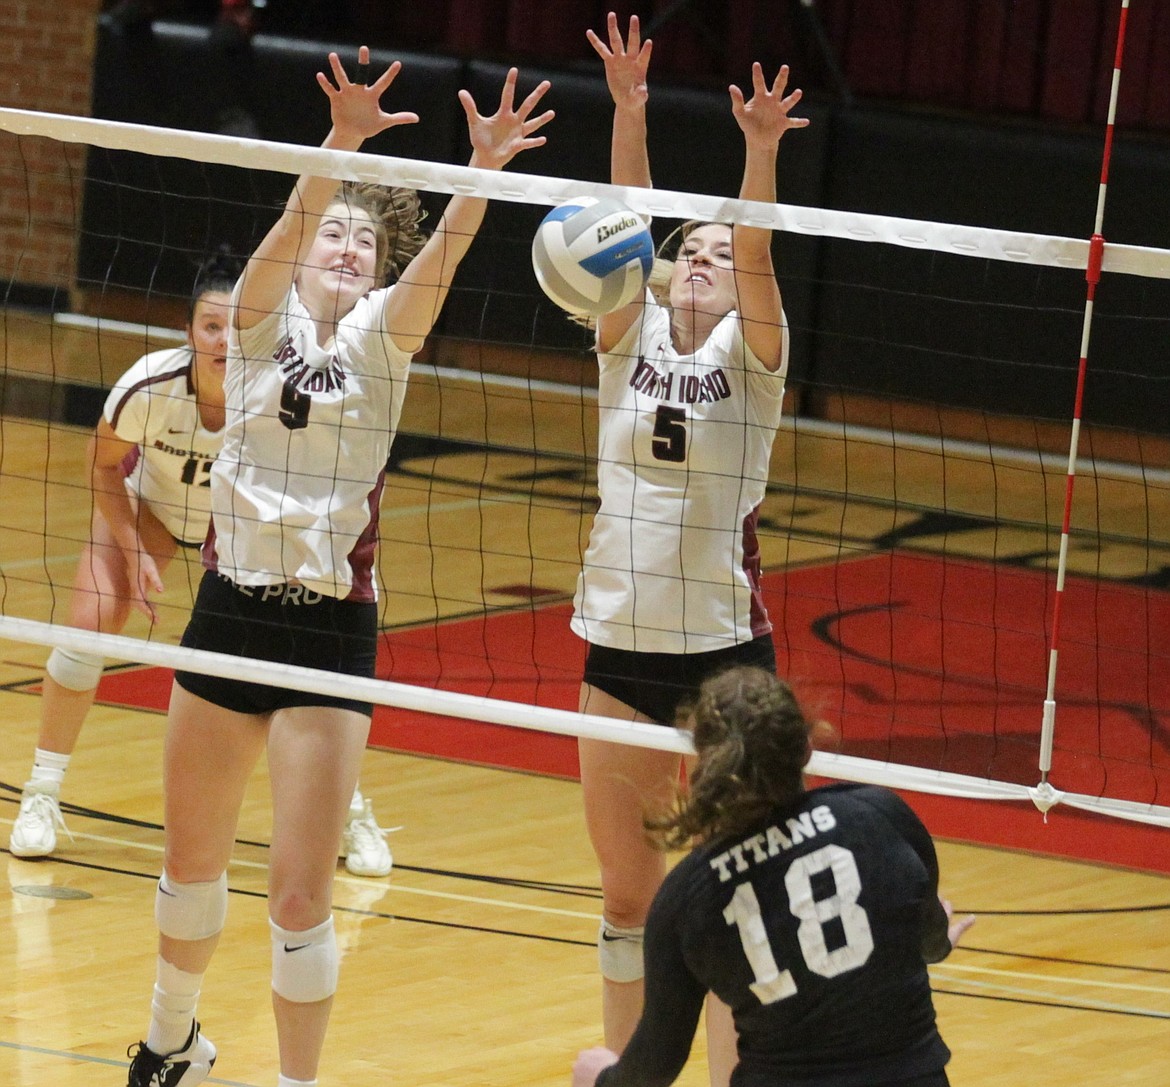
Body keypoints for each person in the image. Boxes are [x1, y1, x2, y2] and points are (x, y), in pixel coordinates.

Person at [123, 46, 552, 1087]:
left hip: (327, 633)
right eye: (336, 233)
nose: (350, 248)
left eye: (367, 237)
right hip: (229, 609)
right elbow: (282, 231)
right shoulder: (260, 322)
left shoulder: (382, 342)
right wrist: (342, 146)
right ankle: (171, 1041)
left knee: (302, 899)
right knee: (189, 868)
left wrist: (480, 174)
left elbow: (439, 263)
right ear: (308, 244)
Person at [571, 13, 809, 1081]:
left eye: (721, 253)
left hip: (723, 655)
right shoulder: (623, 339)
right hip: (619, 644)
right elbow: (625, 223)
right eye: (692, 253)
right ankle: (629, 1069)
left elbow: (756, 252)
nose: (707, 263)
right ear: (665, 275)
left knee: (730, 885)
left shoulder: (756, 358)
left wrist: (760, 152)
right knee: (628, 894)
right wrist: (630, 112)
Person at [7, 253, 394, 881]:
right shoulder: (149, 384)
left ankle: (350, 811)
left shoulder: (281, 386)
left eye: (229, 325)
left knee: (305, 666)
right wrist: (131, 548)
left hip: (244, 534)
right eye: (207, 327)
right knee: (86, 629)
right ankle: (41, 794)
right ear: (190, 331)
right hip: (153, 510)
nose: (220, 339)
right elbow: (102, 464)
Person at [572, 665, 977, 1087]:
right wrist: (935, 939)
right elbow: (930, 941)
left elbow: (656, 1066)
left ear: (705, 764)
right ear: (805, 747)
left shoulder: (689, 895)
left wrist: (600, 1079)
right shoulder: (881, 816)